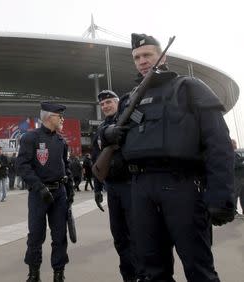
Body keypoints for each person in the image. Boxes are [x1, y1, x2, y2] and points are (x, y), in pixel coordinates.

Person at [102, 33, 235, 281]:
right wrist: (108, 133)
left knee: (199, 269)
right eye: (137, 57)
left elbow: (218, 144)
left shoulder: (189, 88)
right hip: (140, 189)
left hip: (182, 186)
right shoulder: (130, 99)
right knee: (152, 270)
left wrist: (221, 195)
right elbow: (117, 151)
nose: (142, 61)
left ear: (163, 56)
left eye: (147, 55)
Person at [17, 102, 74, 282]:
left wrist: (70, 189)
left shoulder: (61, 141)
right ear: (49, 117)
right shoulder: (30, 137)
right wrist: (39, 187)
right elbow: (22, 166)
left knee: (60, 236)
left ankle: (59, 274)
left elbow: (66, 167)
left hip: (59, 195)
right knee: (35, 235)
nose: (63, 119)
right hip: (39, 194)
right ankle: (34, 274)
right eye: (60, 115)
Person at [92, 90, 141, 282]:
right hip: (112, 188)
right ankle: (128, 276)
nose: (105, 106)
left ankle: (141, 274)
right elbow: (97, 161)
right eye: (102, 104)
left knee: (136, 234)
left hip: (131, 184)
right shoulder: (100, 129)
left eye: (109, 102)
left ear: (118, 102)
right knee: (119, 236)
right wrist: (97, 188)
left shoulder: (130, 118)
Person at [231, 139, 244, 217]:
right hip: (236, 178)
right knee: (235, 194)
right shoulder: (231, 154)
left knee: (243, 195)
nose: (235, 145)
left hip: (242, 178)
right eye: (234, 143)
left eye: (235, 143)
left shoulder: (237, 154)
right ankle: (233, 212)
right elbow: (235, 164)